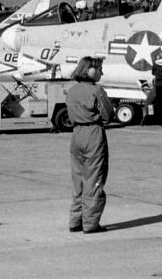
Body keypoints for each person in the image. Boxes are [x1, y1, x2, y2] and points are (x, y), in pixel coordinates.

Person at [66, 56, 114, 234]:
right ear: (90, 71)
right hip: (93, 134)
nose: (101, 72)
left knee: (78, 179)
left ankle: (75, 221)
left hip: (76, 134)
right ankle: (91, 224)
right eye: (99, 69)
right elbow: (108, 115)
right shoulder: (97, 90)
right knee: (94, 179)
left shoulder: (72, 90)